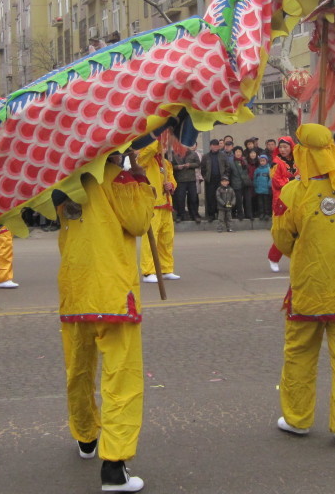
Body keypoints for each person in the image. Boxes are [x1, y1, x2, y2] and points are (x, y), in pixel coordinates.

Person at [56, 149, 154, 493]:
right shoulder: (118, 179)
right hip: (113, 295)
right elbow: (140, 222)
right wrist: (140, 177)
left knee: (79, 371)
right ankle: (114, 465)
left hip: (75, 290)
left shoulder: (61, 182)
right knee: (121, 379)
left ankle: (86, 438)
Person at [271, 124, 335, 448]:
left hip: (309, 288)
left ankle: (298, 419)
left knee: (300, 354)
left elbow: (282, 241)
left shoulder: (293, 192)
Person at [138, 141, 179, 284]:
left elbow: (173, 179)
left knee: (167, 238)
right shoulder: (145, 160)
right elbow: (148, 149)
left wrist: (171, 185)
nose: (164, 146)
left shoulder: (166, 163)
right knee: (151, 239)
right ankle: (148, 271)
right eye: (162, 144)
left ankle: (166, 268)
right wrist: (157, 134)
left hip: (166, 205)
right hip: (153, 206)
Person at [267, 136, 297, 272]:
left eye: (286, 147)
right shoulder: (276, 162)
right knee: (282, 232)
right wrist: (292, 181)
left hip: (297, 199)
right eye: (281, 147)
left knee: (300, 231)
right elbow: (276, 181)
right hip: (282, 201)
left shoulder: (298, 161)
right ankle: (273, 257)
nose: (283, 149)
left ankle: (299, 260)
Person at [170, 145, 201, 223]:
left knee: (193, 198)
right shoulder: (174, 154)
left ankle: (194, 215)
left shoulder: (193, 154)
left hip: (191, 180)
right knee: (180, 199)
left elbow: (198, 163)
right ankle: (180, 215)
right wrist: (177, 167)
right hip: (180, 180)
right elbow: (170, 166)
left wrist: (190, 165)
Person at [200, 139, 229, 223]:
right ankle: (211, 215)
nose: (215, 147)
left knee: (221, 197)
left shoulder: (223, 155)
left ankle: (221, 215)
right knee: (210, 197)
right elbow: (203, 168)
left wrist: (225, 177)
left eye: (216, 145)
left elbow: (227, 167)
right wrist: (205, 177)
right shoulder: (206, 156)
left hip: (221, 180)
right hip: (210, 180)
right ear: (210, 146)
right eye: (213, 145)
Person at [253, 154, 272, 220]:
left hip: (266, 190)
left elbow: (271, 178)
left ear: (266, 161)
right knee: (260, 203)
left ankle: (267, 213)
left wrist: (269, 185)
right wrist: (255, 185)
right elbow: (255, 178)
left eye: (263, 161)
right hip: (259, 190)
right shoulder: (257, 170)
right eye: (261, 161)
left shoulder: (269, 169)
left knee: (266, 202)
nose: (262, 162)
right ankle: (261, 213)